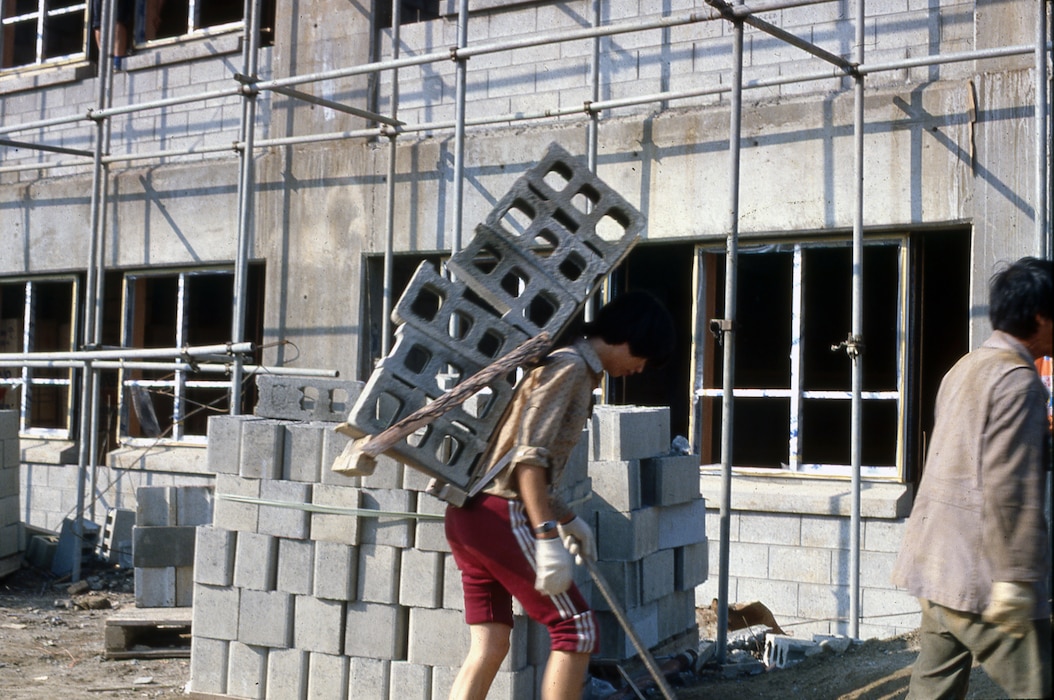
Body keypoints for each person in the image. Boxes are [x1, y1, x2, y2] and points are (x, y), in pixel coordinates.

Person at [444, 291, 676, 700]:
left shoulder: (563, 361)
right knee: (577, 628)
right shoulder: (570, 368)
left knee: (491, 642)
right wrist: (548, 536)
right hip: (501, 513)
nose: (639, 370)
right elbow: (528, 461)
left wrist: (568, 518)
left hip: (470, 513)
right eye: (645, 359)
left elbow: (521, 458)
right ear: (631, 338)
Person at [892, 256, 1053, 699]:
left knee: (932, 690)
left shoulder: (963, 368)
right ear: (1040, 318)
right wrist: (1016, 579)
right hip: (983, 576)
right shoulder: (1018, 381)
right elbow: (1010, 488)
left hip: (936, 566)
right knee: (1040, 687)